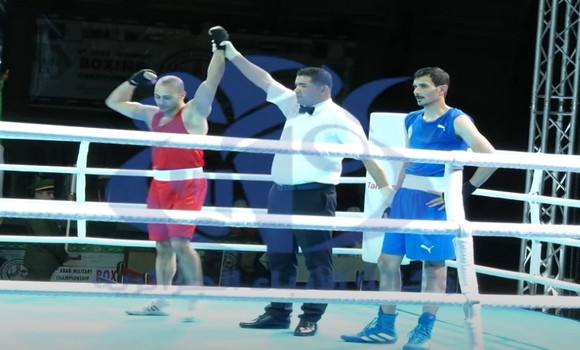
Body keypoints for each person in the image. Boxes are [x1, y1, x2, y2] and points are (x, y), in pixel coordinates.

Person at [218, 35, 394, 336]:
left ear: (323, 90)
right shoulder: (294, 105)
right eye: (296, 84)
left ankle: (311, 316)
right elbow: (263, 79)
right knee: (279, 257)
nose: (296, 89)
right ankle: (278, 312)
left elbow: (368, 158)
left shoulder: (341, 119)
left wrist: (388, 195)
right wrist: (232, 52)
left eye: (302, 85)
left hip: (315, 196)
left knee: (317, 261)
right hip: (280, 195)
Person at [340, 67, 497, 349]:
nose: (416, 91)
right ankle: (385, 327)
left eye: (423, 86)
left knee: (434, 267)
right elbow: (408, 160)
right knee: (386, 262)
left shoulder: (457, 119)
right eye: (415, 87)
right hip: (404, 200)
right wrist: (394, 197)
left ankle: (423, 331)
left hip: (432, 202)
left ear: (442, 89)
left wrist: (462, 191)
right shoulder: (411, 119)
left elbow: (490, 156)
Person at [104, 27, 226, 318]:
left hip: (188, 183)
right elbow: (114, 102)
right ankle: (161, 301)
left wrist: (220, 48)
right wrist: (132, 80)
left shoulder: (195, 112)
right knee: (162, 246)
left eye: (167, 98)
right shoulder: (152, 114)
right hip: (159, 185)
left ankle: (196, 298)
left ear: (182, 95)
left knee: (181, 243)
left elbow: (212, 80)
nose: (161, 102)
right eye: (157, 97)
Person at [23, 177, 69, 281]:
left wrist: (69, 202)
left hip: (43, 262)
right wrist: (63, 254)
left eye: (52, 193)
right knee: (35, 293)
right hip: (40, 263)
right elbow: (46, 237)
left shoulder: (43, 210)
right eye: (48, 193)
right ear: (37, 195)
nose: (52, 196)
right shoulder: (35, 212)